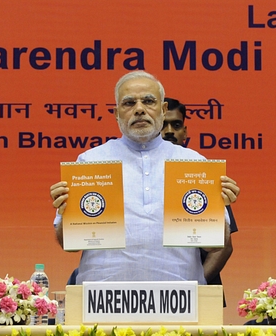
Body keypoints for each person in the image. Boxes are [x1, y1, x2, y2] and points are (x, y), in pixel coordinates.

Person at [50, 71, 239, 284]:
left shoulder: (193, 163)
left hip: (179, 299)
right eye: (129, 103)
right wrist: (67, 214)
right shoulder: (91, 161)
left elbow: (215, 245)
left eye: (148, 101)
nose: (139, 109)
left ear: (163, 109)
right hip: (104, 298)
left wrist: (216, 207)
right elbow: (70, 244)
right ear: (116, 113)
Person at [161, 97, 238, 300]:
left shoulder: (202, 175)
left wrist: (194, 284)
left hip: (196, 291)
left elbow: (223, 247)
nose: (169, 131)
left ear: (185, 132)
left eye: (176, 125)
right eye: (162, 125)